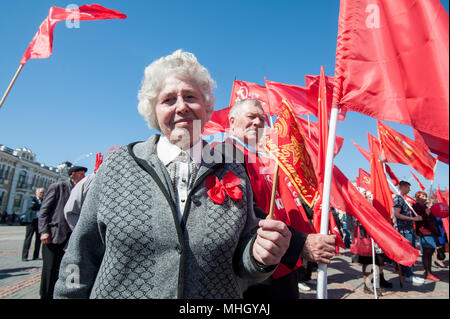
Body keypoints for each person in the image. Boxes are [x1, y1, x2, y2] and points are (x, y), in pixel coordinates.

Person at [53, 50, 293, 299]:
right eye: (168, 100)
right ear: (153, 111)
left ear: (207, 107)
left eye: (191, 97)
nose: (181, 107)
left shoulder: (232, 168)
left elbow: (244, 261)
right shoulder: (118, 164)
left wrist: (260, 256)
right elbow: (79, 254)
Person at [224, 98, 336, 299]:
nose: (258, 123)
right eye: (251, 117)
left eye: (262, 118)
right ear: (232, 122)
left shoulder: (262, 157)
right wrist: (301, 243)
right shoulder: (226, 154)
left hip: (282, 261)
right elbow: (243, 210)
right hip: (254, 271)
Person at [38, 165, 87, 299]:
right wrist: (44, 231)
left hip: (71, 238)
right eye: (81, 173)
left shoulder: (81, 189)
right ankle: (46, 295)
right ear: (73, 174)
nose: (83, 176)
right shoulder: (58, 187)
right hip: (54, 236)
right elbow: (44, 211)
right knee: (50, 270)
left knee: (65, 268)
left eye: (84, 173)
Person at [393, 181, 424, 285]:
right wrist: (412, 218)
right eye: (408, 187)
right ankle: (409, 275)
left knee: (409, 252)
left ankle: (408, 274)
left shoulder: (403, 199)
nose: (409, 190)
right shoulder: (398, 198)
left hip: (408, 229)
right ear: (403, 187)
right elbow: (397, 214)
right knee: (409, 253)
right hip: (404, 230)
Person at [412, 191, 441, 281]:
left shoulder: (424, 206)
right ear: (417, 198)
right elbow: (418, 218)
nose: (424, 197)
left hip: (430, 230)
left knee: (430, 251)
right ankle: (428, 272)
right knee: (427, 252)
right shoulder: (416, 206)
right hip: (424, 231)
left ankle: (428, 271)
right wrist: (426, 213)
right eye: (422, 196)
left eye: (425, 196)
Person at [21, 188, 44, 261]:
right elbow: (32, 206)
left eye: (43, 193)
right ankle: (24, 256)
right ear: (36, 193)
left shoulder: (43, 201)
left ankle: (36, 256)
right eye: (40, 192)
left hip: (39, 222)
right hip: (31, 221)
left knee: (38, 239)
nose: (42, 194)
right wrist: (40, 206)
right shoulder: (31, 198)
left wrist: (38, 205)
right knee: (28, 238)